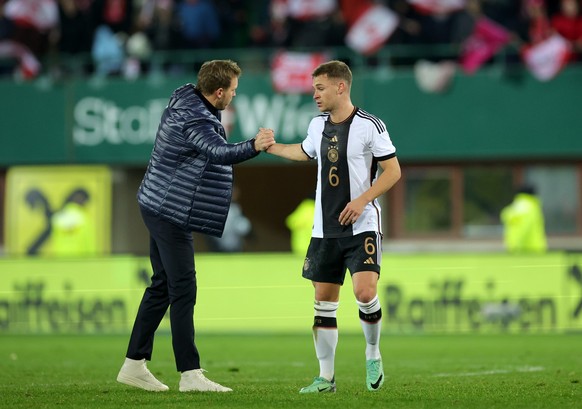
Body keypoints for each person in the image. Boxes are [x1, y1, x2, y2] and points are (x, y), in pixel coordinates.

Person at [116, 59, 274, 393]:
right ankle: (190, 373)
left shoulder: (185, 97)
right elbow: (217, 152)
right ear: (218, 92)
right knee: (183, 288)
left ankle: (133, 364)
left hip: (157, 201)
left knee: (162, 286)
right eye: (232, 90)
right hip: (169, 210)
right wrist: (254, 146)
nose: (234, 95)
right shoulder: (196, 119)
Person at [265, 60, 401, 393]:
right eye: (314, 88)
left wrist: (361, 201)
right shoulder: (317, 126)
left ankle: (372, 352)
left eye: (320, 88)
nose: (314, 94)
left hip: (362, 224)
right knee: (323, 302)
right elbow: (303, 152)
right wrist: (270, 147)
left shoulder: (371, 125)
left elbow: (393, 172)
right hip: (324, 230)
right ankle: (326, 378)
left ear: (341, 87)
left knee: (364, 292)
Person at [500, 185, 547, 253]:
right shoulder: (530, 206)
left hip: (517, 248)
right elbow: (524, 228)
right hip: (532, 249)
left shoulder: (516, 206)